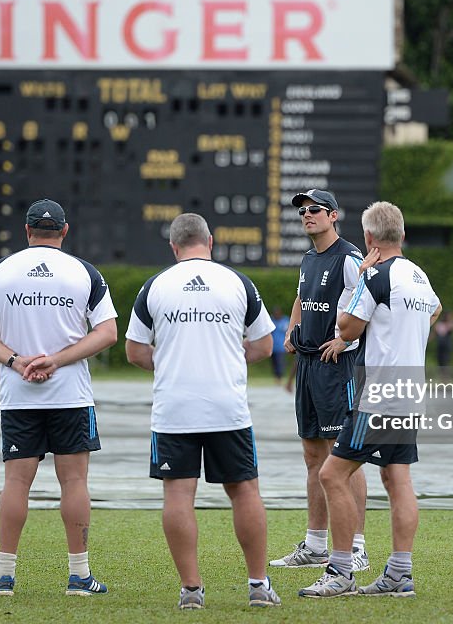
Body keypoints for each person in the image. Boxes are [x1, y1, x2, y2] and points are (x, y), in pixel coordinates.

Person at [124, 213, 281, 610]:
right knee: (245, 491)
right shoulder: (237, 283)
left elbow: (135, 352)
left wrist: (172, 361)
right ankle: (259, 585)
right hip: (227, 406)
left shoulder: (155, 285)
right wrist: (228, 357)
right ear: (210, 242)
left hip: (175, 407)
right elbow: (264, 346)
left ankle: (191, 591)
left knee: (178, 494)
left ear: (174, 247)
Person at [0, 198, 118, 598]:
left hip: (19, 396)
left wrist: (16, 362)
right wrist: (57, 360)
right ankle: (79, 577)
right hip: (70, 395)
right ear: (65, 231)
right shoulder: (84, 272)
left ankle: (3, 577)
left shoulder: (0, 271)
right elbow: (107, 333)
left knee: (16, 483)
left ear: (26, 231)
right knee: (75, 481)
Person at [299, 201, 441, 598]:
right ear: (402, 235)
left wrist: (361, 278)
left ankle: (341, 570)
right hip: (410, 389)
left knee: (331, 473)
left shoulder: (376, 275)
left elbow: (346, 326)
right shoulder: (418, 275)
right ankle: (399, 575)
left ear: (369, 239)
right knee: (397, 478)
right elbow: (435, 309)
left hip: (380, 392)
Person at [272, 189, 370, 572]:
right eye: (303, 211)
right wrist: (291, 332)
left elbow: (368, 301)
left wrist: (345, 338)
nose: (307, 215)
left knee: (345, 457)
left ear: (333, 216)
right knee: (313, 455)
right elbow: (300, 299)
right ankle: (315, 545)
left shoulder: (348, 257)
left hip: (338, 368)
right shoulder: (309, 257)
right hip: (310, 366)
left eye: (315, 210)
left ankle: (357, 548)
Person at [270, 307, 290, 385]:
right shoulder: (271, 320)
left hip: (281, 347)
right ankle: (276, 377)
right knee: (274, 363)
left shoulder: (285, 321)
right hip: (273, 347)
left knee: (280, 363)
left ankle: (280, 378)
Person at [433, 310, 453, 375]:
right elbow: (436, 332)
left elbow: (451, 327)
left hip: (447, 346)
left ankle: (445, 378)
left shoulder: (450, 323)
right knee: (440, 362)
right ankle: (443, 377)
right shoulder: (440, 324)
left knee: (445, 362)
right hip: (440, 345)